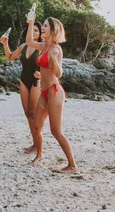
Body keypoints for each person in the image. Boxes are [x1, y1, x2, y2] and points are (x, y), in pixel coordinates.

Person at [25, 16, 77, 173]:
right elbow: (28, 41)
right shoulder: (43, 46)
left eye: (46, 26)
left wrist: (54, 60)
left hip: (54, 91)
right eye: (43, 26)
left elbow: (59, 74)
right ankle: (39, 154)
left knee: (56, 131)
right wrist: (31, 22)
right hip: (44, 91)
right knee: (36, 125)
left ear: (53, 30)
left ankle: (72, 165)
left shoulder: (55, 49)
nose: (43, 28)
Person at [0, 22, 43, 154]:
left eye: (36, 30)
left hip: (37, 80)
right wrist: (5, 44)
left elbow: (49, 63)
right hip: (24, 79)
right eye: (32, 30)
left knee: (33, 114)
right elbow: (10, 57)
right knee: (28, 114)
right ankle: (34, 143)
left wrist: (42, 74)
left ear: (40, 33)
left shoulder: (42, 47)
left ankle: (38, 144)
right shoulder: (24, 46)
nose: (34, 32)